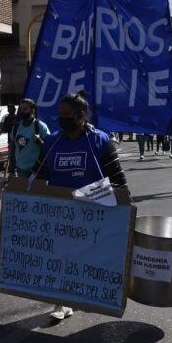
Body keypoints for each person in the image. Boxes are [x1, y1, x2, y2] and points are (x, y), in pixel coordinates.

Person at [37, 91, 129, 321]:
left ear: (81, 116)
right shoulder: (52, 141)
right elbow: (38, 177)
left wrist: (83, 197)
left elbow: (118, 182)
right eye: (59, 115)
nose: (61, 119)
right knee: (60, 258)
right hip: (60, 216)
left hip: (92, 217)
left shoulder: (100, 141)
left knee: (86, 260)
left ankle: (82, 296)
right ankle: (61, 303)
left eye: (67, 115)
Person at [8, 98, 49, 177]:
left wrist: (40, 142)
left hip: (38, 172)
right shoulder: (16, 127)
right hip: (21, 171)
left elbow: (49, 149)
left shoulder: (40, 126)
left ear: (32, 110)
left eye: (25, 109)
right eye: (20, 109)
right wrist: (11, 170)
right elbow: (12, 150)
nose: (22, 112)